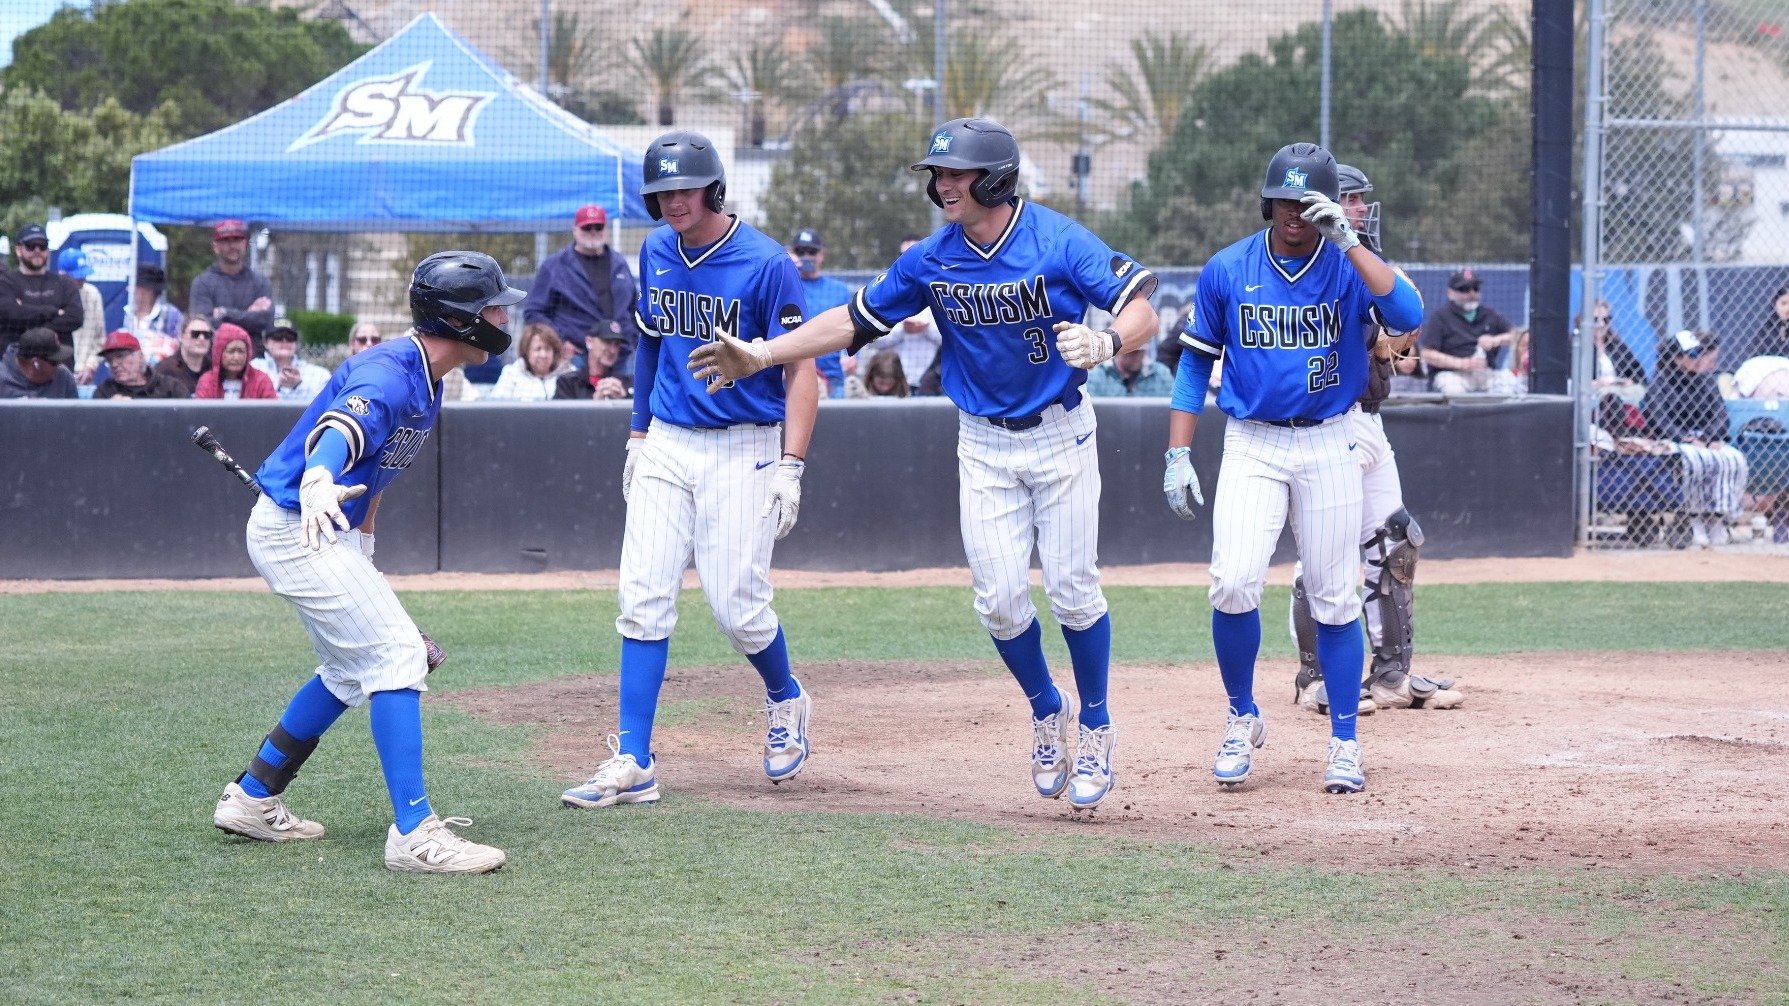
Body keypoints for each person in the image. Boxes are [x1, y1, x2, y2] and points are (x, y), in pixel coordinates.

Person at [690, 117, 1160, 813]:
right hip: (983, 442)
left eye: (955, 173)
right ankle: (1045, 707)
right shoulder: (932, 258)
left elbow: (1142, 306)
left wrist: (1108, 337)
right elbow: (852, 320)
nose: (942, 185)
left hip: (1060, 435)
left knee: (1072, 592)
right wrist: (765, 353)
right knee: (999, 605)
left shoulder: (1056, 238)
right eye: (936, 175)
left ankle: (1093, 722)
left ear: (995, 178)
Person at [212, 251, 520, 873]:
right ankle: (415, 833)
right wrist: (321, 477)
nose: (501, 317)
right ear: (461, 320)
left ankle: (252, 798)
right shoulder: (390, 374)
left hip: (323, 531)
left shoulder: (429, 379)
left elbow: (374, 476)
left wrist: (364, 548)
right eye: (492, 307)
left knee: (347, 671)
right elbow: (340, 432)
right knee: (396, 655)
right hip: (296, 524)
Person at [560, 130, 820, 811]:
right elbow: (649, 344)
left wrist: (791, 464)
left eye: (684, 188)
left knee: (737, 607)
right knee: (641, 598)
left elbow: (803, 369)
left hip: (745, 442)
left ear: (712, 187)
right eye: (661, 191)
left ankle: (785, 697)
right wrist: (638, 432)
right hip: (670, 442)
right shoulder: (654, 251)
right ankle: (632, 760)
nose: (672, 201)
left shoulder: (767, 264)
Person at [1163, 142, 1424, 795]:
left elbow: (1408, 316)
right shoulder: (1227, 268)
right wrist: (1177, 451)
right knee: (1231, 583)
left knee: (1335, 597)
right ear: (1267, 200)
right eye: (1284, 200)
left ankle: (1343, 742)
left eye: (1308, 204)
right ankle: (1239, 716)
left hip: (1329, 439)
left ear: (1328, 206)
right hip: (1252, 442)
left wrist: (1351, 241)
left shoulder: (1343, 267)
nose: (1294, 214)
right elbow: (1195, 362)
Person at [1286, 163, 1460, 721]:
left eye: (1359, 200)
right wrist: (1383, 339)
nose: (1360, 209)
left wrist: (1392, 340)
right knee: (1323, 555)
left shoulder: (1368, 263)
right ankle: (1314, 679)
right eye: (1352, 199)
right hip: (1324, 422)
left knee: (1396, 544)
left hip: (1371, 421)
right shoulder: (1307, 265)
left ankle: (1391, 675)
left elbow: (1402, 343)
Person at [1643, 329, 1748, 548]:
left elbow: (1720, 415)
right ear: (1676, 359)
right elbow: (1658, 419)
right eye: (1693, 355)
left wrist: (1710, 438)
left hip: (1706, 439)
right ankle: (1695, 520)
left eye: (1700, 353)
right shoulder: (1661, 382)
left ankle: (1718, 519)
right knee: (1695, 460)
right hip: (1676, 441)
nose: (1700, 359)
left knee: (1734, 459)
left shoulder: (1705, 381)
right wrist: (1686, 438)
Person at [522, 204, 639, 371]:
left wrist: (632, 338)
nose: (593, 231)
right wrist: (559, 341)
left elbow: (634, 307)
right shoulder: (555, 266)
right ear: (575, 230)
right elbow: (533, 312)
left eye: (598, 227)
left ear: (606, 229)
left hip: (621, 355)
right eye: (587, 227)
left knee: (626, 397)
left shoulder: (619, 263)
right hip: (578, 358)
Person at [1418, 269, 1515, 394]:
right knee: (1454, 390)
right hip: (1452, 375)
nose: (1471, 293)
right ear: (1450, 293)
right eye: (1464, 289)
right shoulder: (1441, 316)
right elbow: (1427, 354)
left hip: (1484, 373)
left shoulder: (1489, 314)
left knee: (1509, 386)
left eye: (1475, 288)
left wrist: (1496, 340)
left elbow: (1519, 335)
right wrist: (1461, 363)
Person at [0, 224, 83, 360]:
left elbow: (75, 318)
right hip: (16, 365)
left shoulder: (64, 282)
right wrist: (54, 311)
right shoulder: (6, 282)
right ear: (18, 249)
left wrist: (25, 318)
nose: (37, 250)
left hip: (58, 365)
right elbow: (11, 314)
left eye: (42, 246)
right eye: (31, 246)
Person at [189, 220, 274, 350]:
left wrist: (225, 313)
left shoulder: (260, 282)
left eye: (237, 240)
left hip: (254, 357)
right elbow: (203, 324)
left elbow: (264, 320)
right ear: (216, 247)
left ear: (245, 244)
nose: (232, 246)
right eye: (226, 241)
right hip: (213, 358)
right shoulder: (202, 283)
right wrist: (247, 315)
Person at [786, 228, 850, 397]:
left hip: (831, 373)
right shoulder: (786, 285)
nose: (806, 256)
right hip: (793, 371)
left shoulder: (839, 290)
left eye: (812, 251)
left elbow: (853, 326)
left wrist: (852, 358)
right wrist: (786, 268)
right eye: (800, 251)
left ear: (821, 254)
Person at [251, 318, 332, 402]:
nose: (284, 341)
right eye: (277, 337)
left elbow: (324, 406)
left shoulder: (320, 374)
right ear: (265, 342)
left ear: (296, 343)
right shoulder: (253, 368)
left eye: (290, 337)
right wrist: (277, 385)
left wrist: (299, 385)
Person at [488, 323, 574, 401]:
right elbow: (496, 407)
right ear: (526, 351)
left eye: (547, 349)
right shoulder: (511, 373)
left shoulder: (569, 373)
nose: (543, 355)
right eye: (538, 349)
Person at [59, 247, 108, 380]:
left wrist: (90, 366)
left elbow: (100, 339)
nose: (82, 279)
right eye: (77, 276)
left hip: (84, 374)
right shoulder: (51, 295)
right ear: (63, 274)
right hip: (56, 372)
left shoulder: (93, 294)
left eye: (83, 275)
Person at [93, 331, 189, 399]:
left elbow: (195, 424)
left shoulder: (171, 388)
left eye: (120, 356)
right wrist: (109, 412)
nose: (113, 364)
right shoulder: (104, 393)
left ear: (140, 357)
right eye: (109, 360)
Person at [195, 323, 277, 400]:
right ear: (219, 353)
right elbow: (200, 413)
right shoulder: (207, 381)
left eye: (241, 351)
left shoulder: (261, 381)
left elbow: (273, 412)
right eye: (231, 351)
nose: (236, 357)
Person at [127, 263, 184, 366]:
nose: (128, 290)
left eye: (134, 287)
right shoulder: (125, 313)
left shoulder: (171, 315)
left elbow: (179, 348)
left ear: (148, 291)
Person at [0, 326, 79, 399]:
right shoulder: (2, 380)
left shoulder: (63, 376)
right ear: (36, 363)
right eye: (54, 362)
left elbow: (75, 413)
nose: (60, 364)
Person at [554, 332, 633, 400]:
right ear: (589, 342)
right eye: (607, 342)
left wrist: (624, 399)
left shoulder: (627, 382)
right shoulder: (568, 382)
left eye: (616, 344)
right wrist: (594, 404)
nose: (613, 350)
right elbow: (560, 416)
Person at [153, 316, 214, 395]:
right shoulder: (164, 370)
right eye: (195, 334)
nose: (201, 338)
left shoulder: (214, 368)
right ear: (181, 336)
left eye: (207, 335)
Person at [1085, 342, 1174, 396]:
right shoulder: (1098, 376)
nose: (1138, 356)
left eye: (1142, 351)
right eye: (1133, 351)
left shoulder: (1161, 375)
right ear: (1119, 350)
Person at [844, 349, 908, 398]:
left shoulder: (905, 397)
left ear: (898, 379)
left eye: (889, 383)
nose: (885, 388)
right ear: (871, 376)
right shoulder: (859, 391)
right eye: (881, 383)